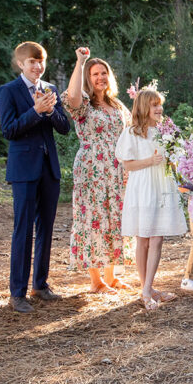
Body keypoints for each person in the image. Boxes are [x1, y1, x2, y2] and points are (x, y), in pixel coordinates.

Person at [0, 41, 71, 313]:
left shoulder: (50, 89)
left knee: (46, 228)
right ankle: (17, 292)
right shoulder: (9, 91)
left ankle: (40, 284)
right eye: (32, 62)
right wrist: (35, 111)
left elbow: (64, 128)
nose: (37, 66)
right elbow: (9, 130)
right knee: (23, 229)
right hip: (23, 170)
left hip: (48, 168)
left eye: (41, 61)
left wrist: (50, 111)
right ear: (20, 64)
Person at [62, 47, 132, 294]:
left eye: (103, 73)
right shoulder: (84, 105)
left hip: (118, 169)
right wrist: (80, 62)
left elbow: (132, 130)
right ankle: (95, 280)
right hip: (92, 168)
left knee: (116, 219)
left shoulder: (117, 104)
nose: (100, 78)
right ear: (87, 78)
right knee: (94, 219)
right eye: (94, 74)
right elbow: (72, 96)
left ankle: (111, 276)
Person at [115, 88, 186, 310]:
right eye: (155, 105)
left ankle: (148, 288)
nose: (159, 108)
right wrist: (150, 160)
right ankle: (146, 288)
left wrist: (174, 160)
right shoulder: (132, 132)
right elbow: (127, 165)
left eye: (160, 104)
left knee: (157, 238)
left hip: (162, 185)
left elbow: (177, 157)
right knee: (143, 238)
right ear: (145, 107)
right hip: (143, 186)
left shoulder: (167, 130)